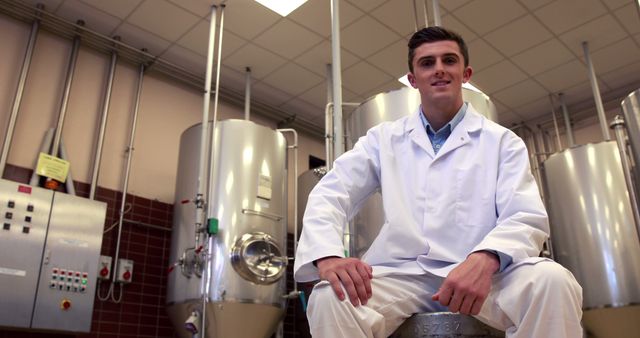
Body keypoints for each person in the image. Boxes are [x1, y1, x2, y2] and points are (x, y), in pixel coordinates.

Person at [293, 26, 583, 338]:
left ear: (466, 73)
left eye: (449, 60)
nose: (439, 69)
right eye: (427, 63)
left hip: (485, 276)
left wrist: (486, 258)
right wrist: (328, 255)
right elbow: (332, 192)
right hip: (403, 274)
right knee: (328, 298)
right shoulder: (384, 139)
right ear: (413, 79)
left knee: (553, 281)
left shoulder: (502, 142)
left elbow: (524, 215)